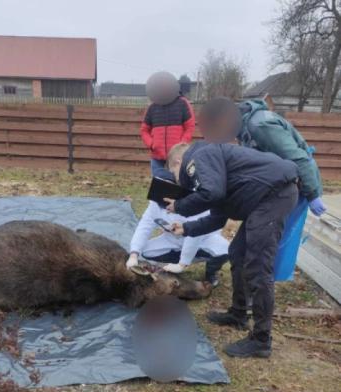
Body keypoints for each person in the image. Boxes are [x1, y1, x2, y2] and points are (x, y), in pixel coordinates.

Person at [165, 141, 299, 358]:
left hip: (274, 195)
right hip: (264, 198)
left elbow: (213, 193)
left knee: (258, 266)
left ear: (178, 162)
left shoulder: (198, 157)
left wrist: (180, 206)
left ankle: (261, 340)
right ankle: (238, 314)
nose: (178, 181)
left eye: (174, 173)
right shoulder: (212, 170)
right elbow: (218, 217)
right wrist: (186, 228)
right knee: (238, 253)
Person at [197, 97, 326, 280]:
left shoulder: (261, 126)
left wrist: (313, 194)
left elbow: (298, 158)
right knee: (244, 248)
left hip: (292, 187)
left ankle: (258, 293)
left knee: (264, 245)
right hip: (272, 188)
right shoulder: (244, 127)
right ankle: (247, 298)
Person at [126, 143, 229, 285]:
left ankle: (211, 271)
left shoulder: (196, 197)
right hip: (172, 240)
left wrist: (183, 263)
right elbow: (145, 225)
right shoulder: (155, 203)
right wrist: (134, 254)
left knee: (225, 249)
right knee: (146, 251)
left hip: (203, 239)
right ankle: (173, 265)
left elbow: (195, 233)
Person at [140, 71, 195, 176]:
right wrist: (152, 144)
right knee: (159, 188)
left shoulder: (183, 103)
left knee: (177, 189)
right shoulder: (152, 107)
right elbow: (144, 130)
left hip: (177, 159)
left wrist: (181, 144)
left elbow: (190, 127)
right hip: (157, 159)